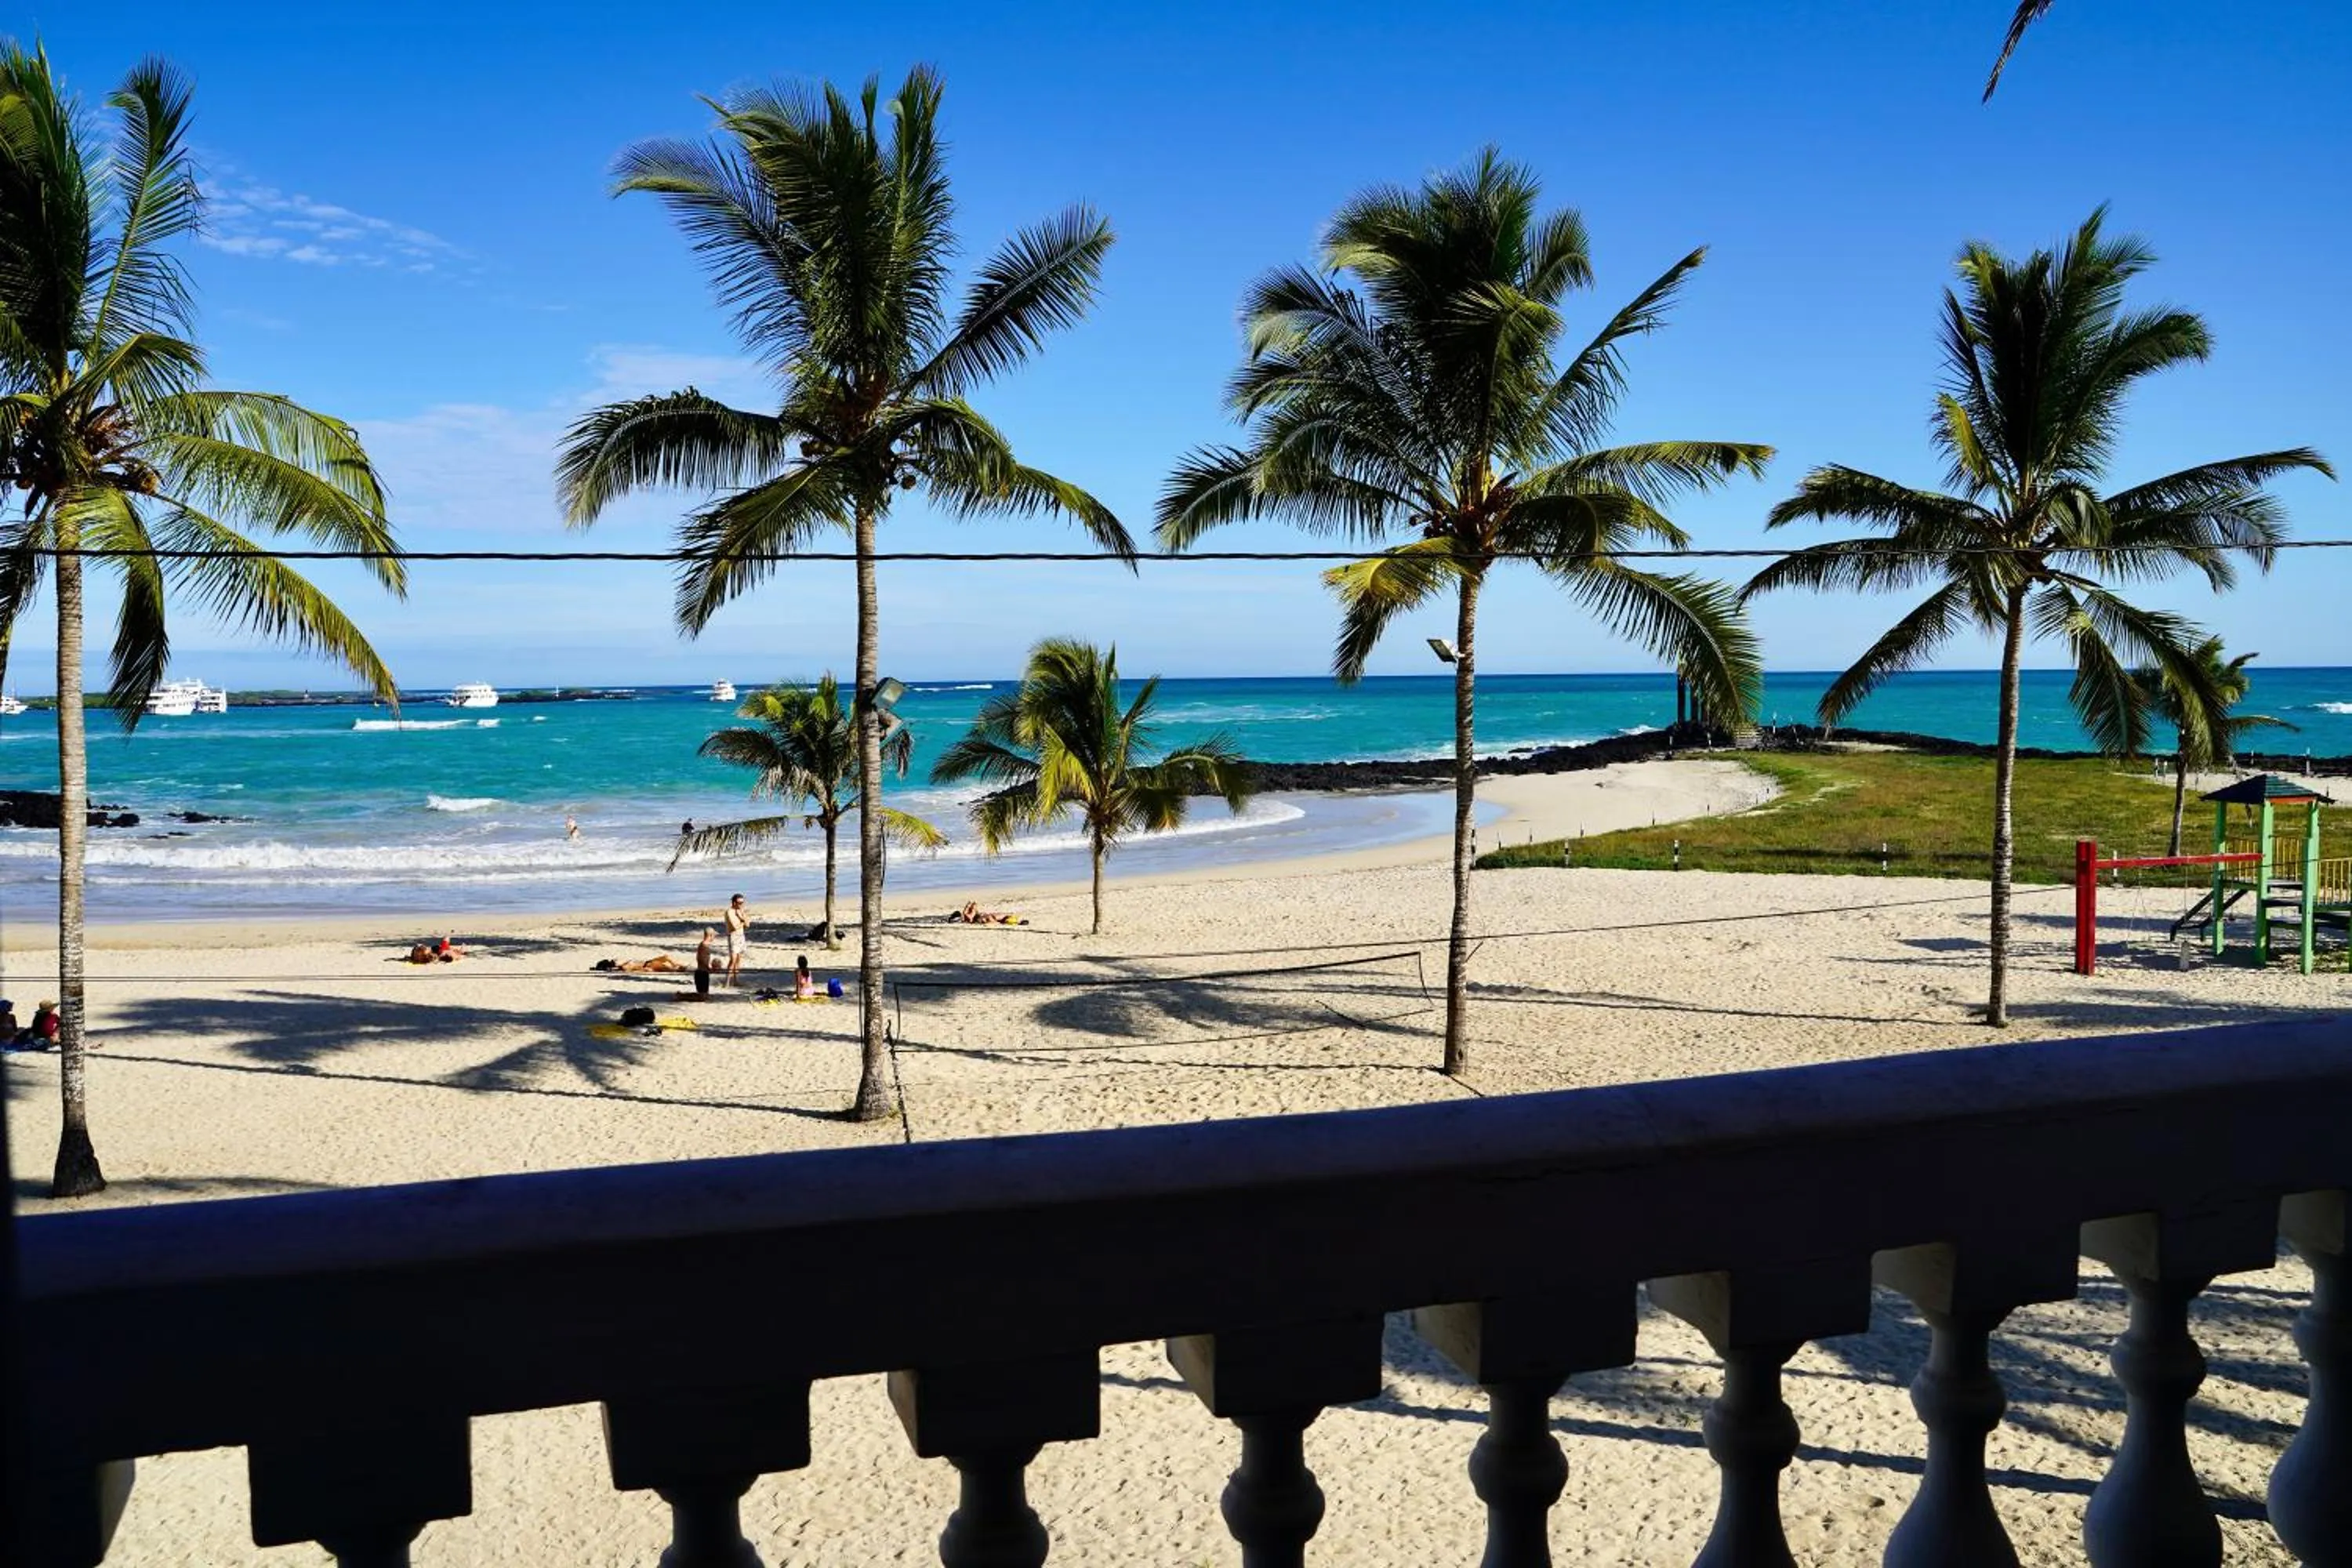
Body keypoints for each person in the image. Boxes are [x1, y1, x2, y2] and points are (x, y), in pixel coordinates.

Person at [723, 894, 750, 988]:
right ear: (734, 902)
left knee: (738, 959)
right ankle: (727, 982)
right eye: (739, 903)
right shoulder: (729, 912)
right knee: (733, 959)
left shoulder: (741, 911)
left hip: (741, 936)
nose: (741, 905)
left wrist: (742, 917)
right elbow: (734, 927)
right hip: (733, 936)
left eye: (743, 902)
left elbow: (748, 924)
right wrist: (741, 920)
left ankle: (735, 980)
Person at [694, 929, 715, 1000]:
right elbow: (702, 959)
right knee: (702, 997)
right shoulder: (704, 946)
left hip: (704, 972)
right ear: (710, 935)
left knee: (704, 996)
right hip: (701, 973)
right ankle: (681, 996)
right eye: (714, 935)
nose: (714, 937)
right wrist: (709, 968)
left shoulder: (703, 945)